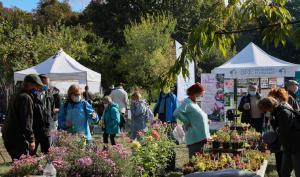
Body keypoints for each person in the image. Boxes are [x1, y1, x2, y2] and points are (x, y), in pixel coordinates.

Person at [2, 74, 43, 160]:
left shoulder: (16, 94)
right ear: (30, 84)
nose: (38, 89)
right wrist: (31, 140)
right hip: (17, 137)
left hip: (8, 134)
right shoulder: (25, 98)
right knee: (22, 165)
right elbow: (26, 121)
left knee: (17, 163)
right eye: (36, 86)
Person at [258, 97, 300, 177]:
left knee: (298, 171)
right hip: (287, 147)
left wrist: (270, 143)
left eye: (265, 110)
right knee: (284, 172)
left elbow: (283, 132)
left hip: (296, 146)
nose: (265, 113)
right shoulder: (275, 113)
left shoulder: (284, 112)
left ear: (269, 107)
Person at [174, 83, 210, 159]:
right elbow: (176, 113)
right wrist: (187, 121)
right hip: (194, 137)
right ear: (195, 93)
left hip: (201, 137)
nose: (201, 97)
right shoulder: (187, 102)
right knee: (194, 159)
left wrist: (206, 120)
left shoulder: (194, 103)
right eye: (200, 95)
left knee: (200, 159)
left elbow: (196, 116)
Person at [38, 75, 55, 142]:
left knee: (47, 150)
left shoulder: (50, 96)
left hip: (47, 127)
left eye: (48, 84)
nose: (47, 86)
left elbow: (52, 111)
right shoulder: (32, 96)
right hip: (36, 128)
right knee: (32, 152)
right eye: (45, 84)